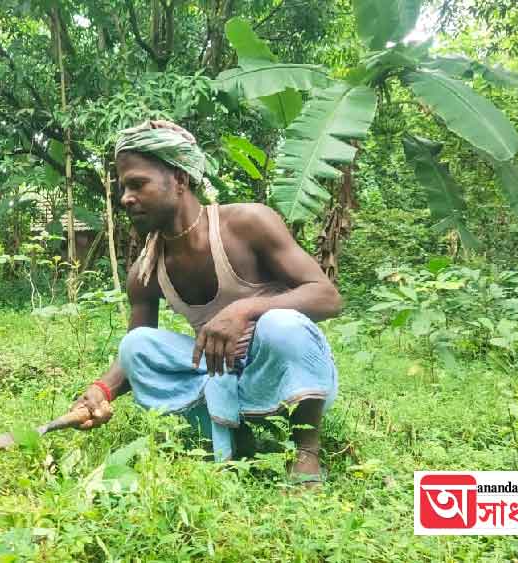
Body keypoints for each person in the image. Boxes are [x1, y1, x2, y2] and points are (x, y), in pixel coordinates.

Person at [71, 120, 342, 485]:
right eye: (123, 188)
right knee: (136, 345)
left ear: (179, 179)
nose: (125, 198)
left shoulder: (247, 223)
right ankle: (235, 438)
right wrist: (100, 391)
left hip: (279, 372)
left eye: (137, 184)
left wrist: (244, 309)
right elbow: (132, 358)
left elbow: (327, 296)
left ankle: (306, 450)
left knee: (283, 325)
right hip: (217, 377)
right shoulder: (145, 271)